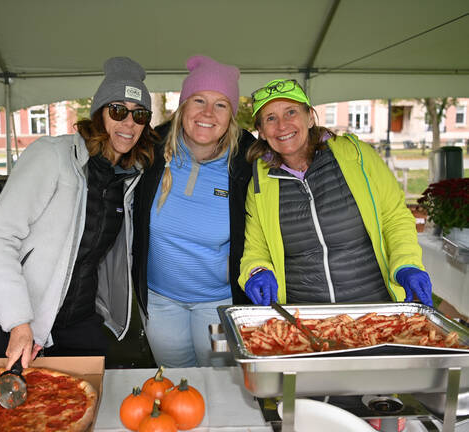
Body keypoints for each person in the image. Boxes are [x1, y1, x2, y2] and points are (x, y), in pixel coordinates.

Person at [0, 56, 156, 370]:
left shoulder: (128, 179)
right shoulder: (51, 156)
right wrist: (19, 321)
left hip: (81, 320)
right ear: (99, 114)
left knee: (85, 407)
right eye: (118, 111)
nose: (129, 123)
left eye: (139, 115)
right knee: (21, 415)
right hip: (21, 317)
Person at [239, 79, 432, 307]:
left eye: (291, 112)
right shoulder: (260, 183)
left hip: (374, 309)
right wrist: (257, 270)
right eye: (270, 118)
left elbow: (395, 217)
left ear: (310, 117)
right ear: (261, 131)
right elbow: (256, 247)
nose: (282, 125)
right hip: (305, 318)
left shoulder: (357, 156)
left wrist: (406, 265)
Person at [132, 55, 255, 367]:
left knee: (221, 387)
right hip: (160, 304)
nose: (207, 113)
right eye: (199, 100)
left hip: (218, 306)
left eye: (221, 104)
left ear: (231, 115)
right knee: (175, 386)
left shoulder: (249, 161)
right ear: (183, 106)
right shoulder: (150, 149)